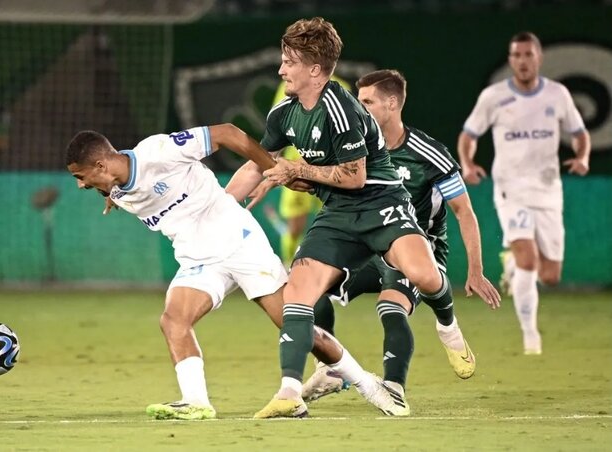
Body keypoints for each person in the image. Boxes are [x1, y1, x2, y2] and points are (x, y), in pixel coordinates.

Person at [65, 123, 397, 421]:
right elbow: (119, 188)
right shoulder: (113, 185)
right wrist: (110, 194)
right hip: (198, 259)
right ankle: (196, 402)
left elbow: (227, 133)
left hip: (239, 243)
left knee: (294, 325)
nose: (80, 185)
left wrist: (274, 171)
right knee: (173, 320)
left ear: (100, 164)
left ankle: (369, 384)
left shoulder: (159, 151)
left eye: (81, 177)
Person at [227, 17, 464, 419]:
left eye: (289, 62)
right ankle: (289, 393)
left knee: (423, 275)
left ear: (315, 70)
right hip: (337, 213)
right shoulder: (284, 114)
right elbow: (256, 165)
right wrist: (218, 209)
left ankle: (449, 323)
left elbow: (354, 178)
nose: (281, 70)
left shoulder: (341, 108)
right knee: (297, 295)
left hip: (381, 205)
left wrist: (296, 170)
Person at [296, 69, 500, 403]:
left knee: (391, 308)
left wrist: (475, 270)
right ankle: (329, 369)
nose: (359, 110)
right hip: (367, 246)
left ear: (392, 104)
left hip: (416, 246)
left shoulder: (427, 153)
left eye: (367, 102)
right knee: (309, 290)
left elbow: (464, 211)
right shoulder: (350, 148)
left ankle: (400, 381)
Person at [457, 32, 591, 355]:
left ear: (539, 58)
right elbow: (469, 134)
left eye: (528, 54)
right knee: (529, 258)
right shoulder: (494, 96)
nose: (522, 61)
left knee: (551, 274)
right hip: (511, 189)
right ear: (510, 59)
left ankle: (513, 266)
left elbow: (580, 133)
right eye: (516, 55)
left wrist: (583, 156)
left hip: (547, 190)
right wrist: (468, 162)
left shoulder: (557, 95)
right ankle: (531, 337)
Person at [267, 77, 350, 264]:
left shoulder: (341, 88)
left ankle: (334, 269)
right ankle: (289, 267)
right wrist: (275, 163)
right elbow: (277, 125)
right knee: (295, 226)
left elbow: (346, 132)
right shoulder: (289, 85)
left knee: (334, 224)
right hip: (295, 166)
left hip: (328, 169)